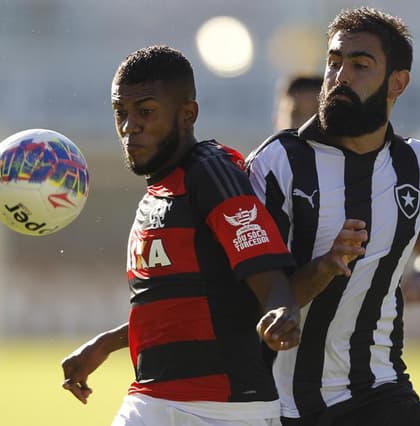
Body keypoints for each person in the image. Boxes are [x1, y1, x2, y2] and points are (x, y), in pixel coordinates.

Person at [246, 7, 420, 426]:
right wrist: (323, 268)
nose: (340, 77)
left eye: (359, 65)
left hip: (377, 395)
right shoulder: (276, 162)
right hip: (279, 406)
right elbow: (254, 292)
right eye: (334, 63)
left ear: (398, 83)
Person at [62, 45, 311, 426]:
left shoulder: (212, 174)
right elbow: (190, 306)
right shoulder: (157, 192)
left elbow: (267, 273)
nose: (130, 126)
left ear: (187, 115)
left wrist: (282, 310)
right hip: (154, 399)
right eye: (121, 113)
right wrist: (105, 345)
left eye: (145, 112)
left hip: (224, 410)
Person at [273, 73, 420, 304]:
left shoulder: (371, 183)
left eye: (313, 115)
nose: (304, 123)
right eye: (295, 113)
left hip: (350, 335)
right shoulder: (260, 177)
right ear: (277, 117)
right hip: (275, 329)